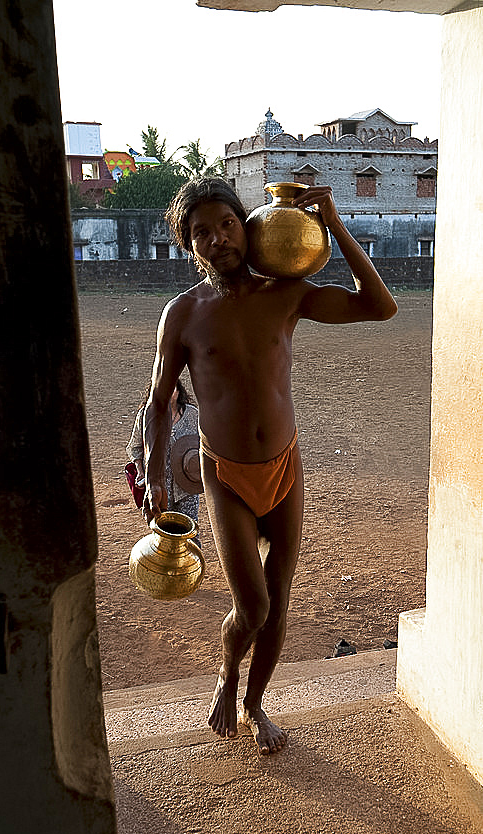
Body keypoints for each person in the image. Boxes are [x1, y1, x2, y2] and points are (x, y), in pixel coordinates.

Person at [143, 177, 397, 755]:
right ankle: (227, 675)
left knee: (278, 602)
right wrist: (157, 482)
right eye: (200, 232)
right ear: (189, 245)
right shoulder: (182, 314)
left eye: (227, 224)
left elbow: (381, 307)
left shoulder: (287, 294)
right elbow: (159, 401)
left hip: (284, 466)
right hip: (225, 474)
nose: (217, 239)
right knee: (251, 607)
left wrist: (331, 219)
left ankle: (257, 706)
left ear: (248, 224)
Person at [127, 378, 201, 532]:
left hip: (188, 484)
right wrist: (141, 473)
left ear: (179, 391)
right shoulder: (146, 415)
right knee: (163, 533)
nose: (168, 392)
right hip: (159, 487)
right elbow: (135, 448)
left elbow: (204, 443)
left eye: (172, 388)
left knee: (190, 533)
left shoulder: (192, 414)